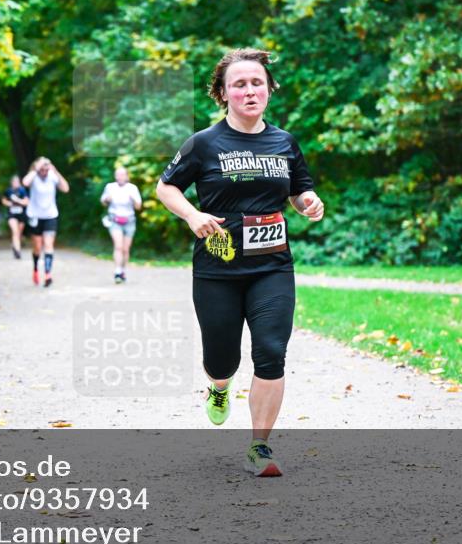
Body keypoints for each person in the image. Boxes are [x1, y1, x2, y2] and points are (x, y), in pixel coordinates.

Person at [155, 48, 325, 477]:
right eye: (240, 84)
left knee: (271, 351)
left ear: (268, 89)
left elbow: (300, 189)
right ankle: (218, 386)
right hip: (218, 268)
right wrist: (192, 214)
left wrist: (307, 202)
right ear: (224, 93)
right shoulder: (204, 143)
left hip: (272, 266)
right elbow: (165, 188)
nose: (250, 90)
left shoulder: (284, 142)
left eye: (257, 83)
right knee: (222, 357)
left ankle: (259, 447)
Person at [22, 157, 69, 287]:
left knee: (48, 245)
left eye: (46, 168)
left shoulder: (52, 176)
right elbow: (25, 182)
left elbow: (65, 189)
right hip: (35, 216)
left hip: (50, 215)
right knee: (37, 247)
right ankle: (36, 268)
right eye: (42, 168)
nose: (44, 171)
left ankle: (48, 274)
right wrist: (36, 169)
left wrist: (56, 171)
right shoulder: (33, 177)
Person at [100, 166, 142, 283]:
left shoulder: (132, 188)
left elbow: (138, 207)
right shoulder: (110, 187)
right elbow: (102, 202)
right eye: (118, 174)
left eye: (122, 174)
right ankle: (117, 271)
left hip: (129, 221)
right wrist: (107, 199)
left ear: (127, 176)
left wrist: (133, 199)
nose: (120, 177)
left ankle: (123, 270)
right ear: (115, 176)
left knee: (125, 249)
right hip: (114, 220)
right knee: (118, 246)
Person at [2, 175, 30, 259]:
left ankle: (15, 246)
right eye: (14, 182)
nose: (15, 183)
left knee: (19, 233)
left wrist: (18, 201)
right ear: (11, 182)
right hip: (12, 214)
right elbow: (3, 200)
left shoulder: (22, 190)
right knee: (15, 231)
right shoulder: (8, 191)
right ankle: (18, 251)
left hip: (21, 214)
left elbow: (27, 202)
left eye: (17, 182)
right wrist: (8, 203)